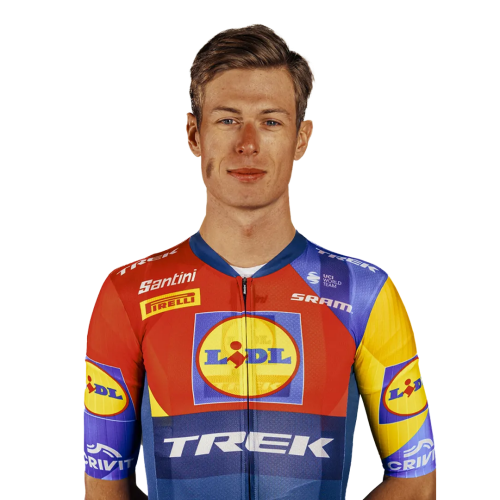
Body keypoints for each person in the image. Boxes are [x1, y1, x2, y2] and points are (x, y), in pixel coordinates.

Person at [83, 23, 437, 500]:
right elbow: (103, 489)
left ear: (301, 138)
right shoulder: (128, 293)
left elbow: (416, 482)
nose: (247, 143)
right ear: (194, 134)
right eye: (228, 120)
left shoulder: (364, 292)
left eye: (271, 122)